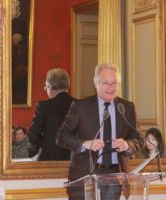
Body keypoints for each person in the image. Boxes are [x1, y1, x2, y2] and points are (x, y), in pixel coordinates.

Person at [56, 63, 143, 200]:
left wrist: (127, 145)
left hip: (114, 176)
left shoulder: (126, 108)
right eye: (106, 83)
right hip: (85, 175)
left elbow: (139, 139)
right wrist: (84, 144)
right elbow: (61, 136)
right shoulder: (80, 107)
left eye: (115, 83)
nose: (111, 87)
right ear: (96, 83)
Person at [28, 68, 75, 161]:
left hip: (49, 160)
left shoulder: (44, 106)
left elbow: (33, 135)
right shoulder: (80, 104)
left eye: (46, 86)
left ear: (50, 85)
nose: (45, 89)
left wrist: (33, 152)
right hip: (74, 160)